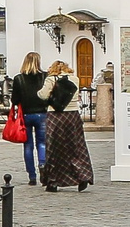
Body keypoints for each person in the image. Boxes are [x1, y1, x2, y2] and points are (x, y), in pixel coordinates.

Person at [39, 61, 94, 193]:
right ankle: (83, 176)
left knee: (54, 148)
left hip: (55, 115)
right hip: (73, 115)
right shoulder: (75, 79)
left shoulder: (51, 79)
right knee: (76, 146)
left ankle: (53, 181)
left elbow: (43, 95)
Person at [10, 52, 51, 184]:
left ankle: (32, 176)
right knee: (42, 143)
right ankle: (43, 166)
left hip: (26, 115)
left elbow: (14, 100)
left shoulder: (18, 79)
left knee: (28, 146)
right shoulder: (45, 76)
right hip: (42, 114)